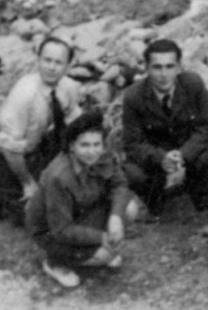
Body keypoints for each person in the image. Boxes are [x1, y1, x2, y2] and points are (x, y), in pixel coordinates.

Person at [0, 36, 82, 226]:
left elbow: (74, 120)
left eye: (58, 62)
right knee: (39, 220)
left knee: (68, 201)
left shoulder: (68, 87)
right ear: (38, 60)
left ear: (68, 65)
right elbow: (10, 148)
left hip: (37, 151)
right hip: (6, 159)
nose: (51, 67)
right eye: (47, 60)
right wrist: (28, 183)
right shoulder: (24, 95)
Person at [26, 111, 131, 289]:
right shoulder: (58, 177)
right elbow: (61, 229)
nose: (92, 151)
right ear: (72, 146)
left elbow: (119, 184)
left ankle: (92, 251)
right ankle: (54, 262)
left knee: (128, 209)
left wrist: (115, 218)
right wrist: (102, 237)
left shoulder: (101, 155)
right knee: (105, 255)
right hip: (53, 231)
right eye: (85, 145)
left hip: (83, 213)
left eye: (97, 144)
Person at [121, 38, 208, 216]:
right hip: (157, 159)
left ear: (179, 67)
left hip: (189, 153)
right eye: (157, 67)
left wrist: (184, 154)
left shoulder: (193, 84)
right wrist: (161, 158)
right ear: (147, 69)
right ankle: (156, 203)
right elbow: (132, 143)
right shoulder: (133, 96)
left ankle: (200, 199)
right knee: (132, 172)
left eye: (169, 66)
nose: (164, 74)